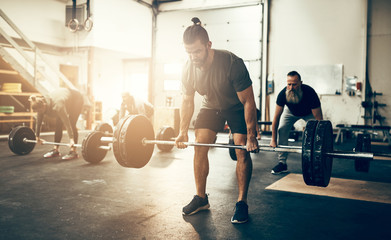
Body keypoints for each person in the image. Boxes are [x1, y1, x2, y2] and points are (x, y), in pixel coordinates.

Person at [175, 17, 259, 224]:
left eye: (197, 51)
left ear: (208, 45)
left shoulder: (232, 64)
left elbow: (248, 101)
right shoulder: (188, 68)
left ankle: (242, 202)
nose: (193, 57)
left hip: (236, 107)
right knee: (199, 144)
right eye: (188, 52)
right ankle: (201, 198)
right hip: (211, 105)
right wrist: (182, 130)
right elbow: (187, 100)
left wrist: (251, 137)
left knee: (241, 150)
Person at [269, 71, 323, 174]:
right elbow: (276, 118)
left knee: (313, 132)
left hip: (309, 113)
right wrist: (273, 139)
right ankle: (282, 163)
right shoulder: (282, 94)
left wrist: (320, 141)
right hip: (290, 112)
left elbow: (319, 120)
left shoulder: (310, 93)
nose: (291, 87)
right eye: (289, 84)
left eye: (294, 84)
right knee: (282, 129)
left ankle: (314, 162)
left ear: (300, 83)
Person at [29, 88, 84, 160]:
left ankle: (73, 151)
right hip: (64, 98)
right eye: (38, 112)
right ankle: (56, 150)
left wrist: (71, 139)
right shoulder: (39, 105)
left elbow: (67, 123)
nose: (40, 113)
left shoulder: (58, 105)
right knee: (58, 124)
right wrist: (37, 137)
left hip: (76, 99)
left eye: (41, 111)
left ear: (44, 105)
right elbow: (38, 123)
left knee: (71, 123)